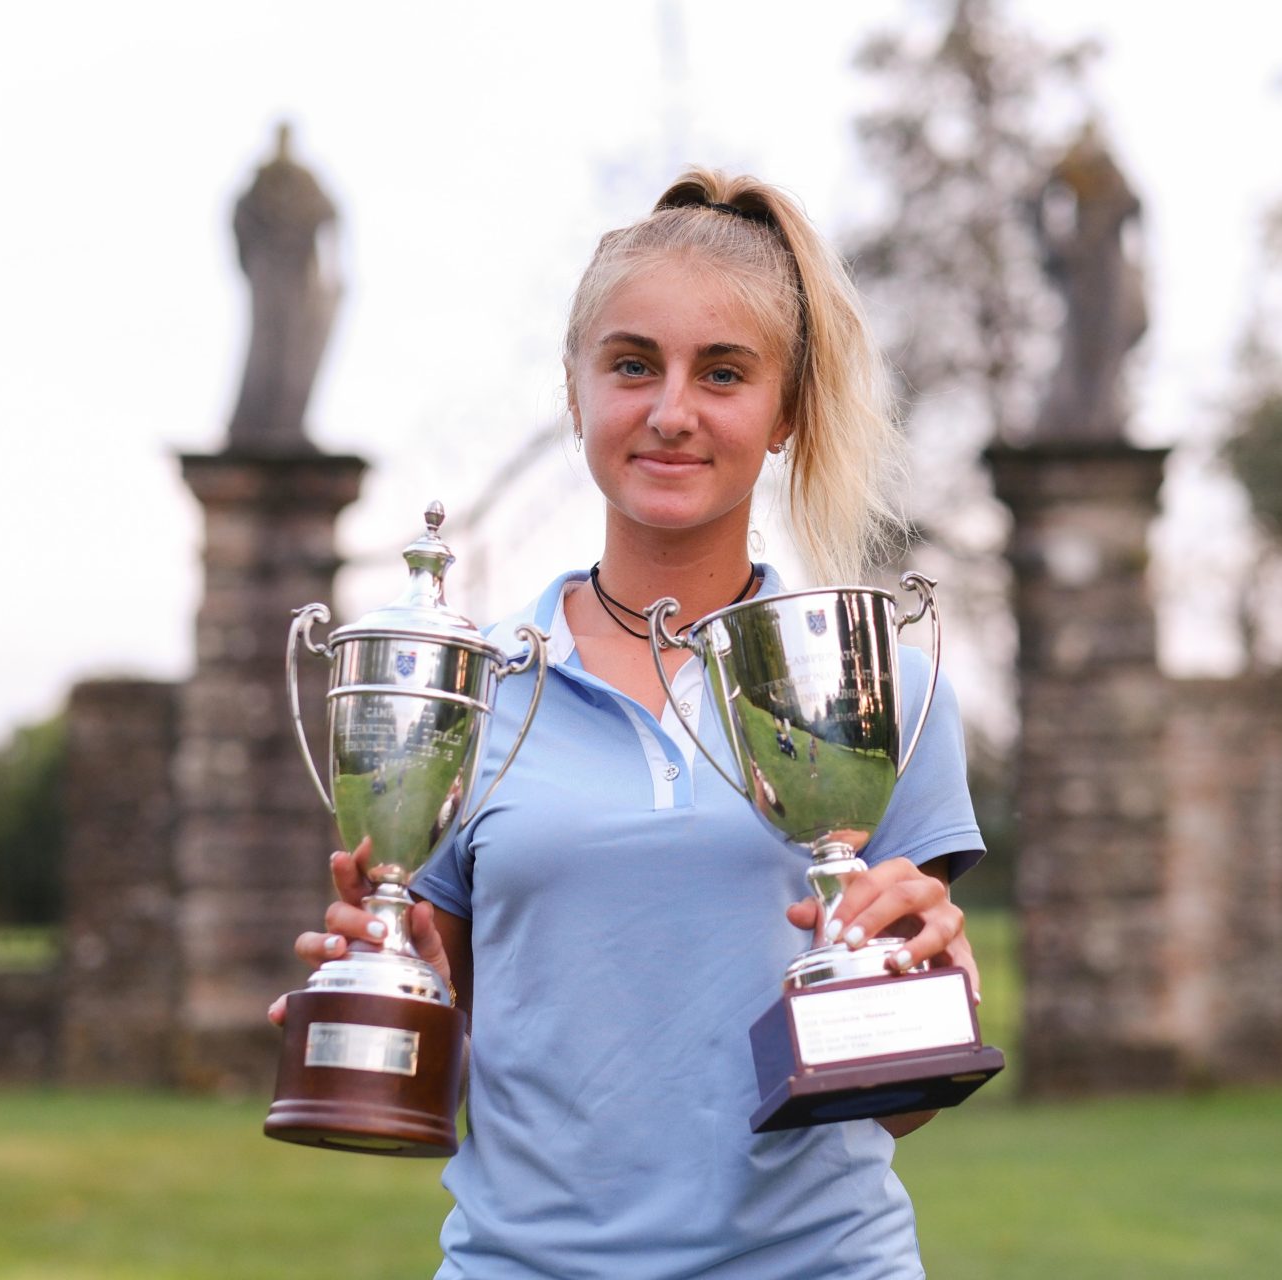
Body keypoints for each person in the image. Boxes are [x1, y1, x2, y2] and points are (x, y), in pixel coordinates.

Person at [271, 169, 986, 1278]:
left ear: (785, 411)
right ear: (575, 391)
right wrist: (388, 999)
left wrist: (924, 988)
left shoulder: (878, 686)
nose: (671, 411)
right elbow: (445, 1074)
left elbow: (891, 1104)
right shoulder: (467, 689)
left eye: (725, 372)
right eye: (633, 364)